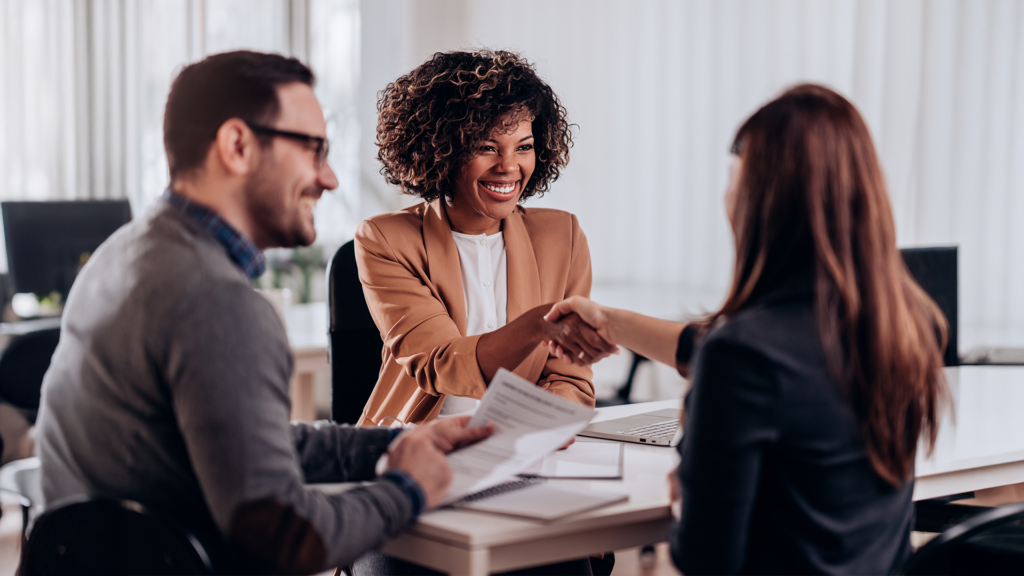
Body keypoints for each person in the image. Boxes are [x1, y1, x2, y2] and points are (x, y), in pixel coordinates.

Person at [34, 50, 493, 575]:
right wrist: (406, 489)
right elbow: (284, 538)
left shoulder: (126, 253)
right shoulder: (216, 300)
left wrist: (396, 442)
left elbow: (245, 445)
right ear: (237, 146)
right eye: (314, 150)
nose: (330, 179)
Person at [546, 84, 949, 575]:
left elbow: (704, 558)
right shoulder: (904, 326)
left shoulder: (744, 354)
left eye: (736, 175)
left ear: (763, 201)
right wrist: (610, 321)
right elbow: (735, 354)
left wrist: (685, 493)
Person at [354, 49, 616, 429]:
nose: (509, 167)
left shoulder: (564, 237)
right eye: (486, 147)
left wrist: (540, 433)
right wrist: (537, 326)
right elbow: (440, 362)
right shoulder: (386, 239)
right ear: (442, 150)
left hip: (523, 447)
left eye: (523, 147)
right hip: (418, 444)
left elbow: (570, 377)